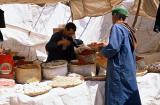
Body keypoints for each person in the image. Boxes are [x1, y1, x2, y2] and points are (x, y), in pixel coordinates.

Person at [90, 6, 142, 105]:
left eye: (112, 16)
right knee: (129, 93)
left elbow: (113, 48)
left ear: (115, 16)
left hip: (119, 68)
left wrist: (100, 51)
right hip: (128, 67)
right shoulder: (127, 28)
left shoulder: (117, 27)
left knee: (118, 95)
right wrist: (105, 46)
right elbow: (122, 46)